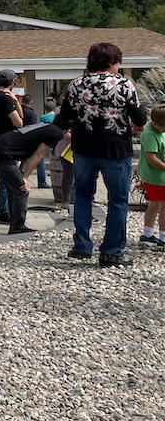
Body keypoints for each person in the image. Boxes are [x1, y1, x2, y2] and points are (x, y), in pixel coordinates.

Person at [55, 42, 147, 267]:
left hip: (84, 147)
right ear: (112, 62)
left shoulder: (77, 84)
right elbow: (140, 118)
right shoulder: (125, 85)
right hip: (115, 148)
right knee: (117, 200)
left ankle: (82, 246)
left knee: (83, 195)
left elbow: (63, 117)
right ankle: (111, 252)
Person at [0, 122, 65, 234]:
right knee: (22, 190)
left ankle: (15, 224)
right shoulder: (56, 133)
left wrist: (22, 174)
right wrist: (25, 178)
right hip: (2, 155)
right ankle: (17, 227)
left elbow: (26, 155)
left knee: (13, 189)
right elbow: (37, 155)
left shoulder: (44, 128)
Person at [0, 69, 24, 225]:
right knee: (7, 180)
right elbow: (19, 121)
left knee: (3, 178)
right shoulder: (3, 99)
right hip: (7, 143)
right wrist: (13, 101)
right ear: (12, 82)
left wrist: (15, 101)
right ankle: (4, 212)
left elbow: (20, 115)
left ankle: (4, 211)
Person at [137, 104, 165, 247]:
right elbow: (151, 158)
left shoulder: (155, 127)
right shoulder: (150, 134)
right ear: (154, 123)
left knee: (155, 204)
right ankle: (163, 237)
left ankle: (147, 233)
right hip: (158, 177)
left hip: (155, 176)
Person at [20, 95, 49, 188]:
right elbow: (33, 128)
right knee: (39, 160)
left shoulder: (18, 111)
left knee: (23, 160)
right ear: (31, 102)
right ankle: (42, 182)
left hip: (18, 138)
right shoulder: (31, 113)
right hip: (29, 139)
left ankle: (19, 178)